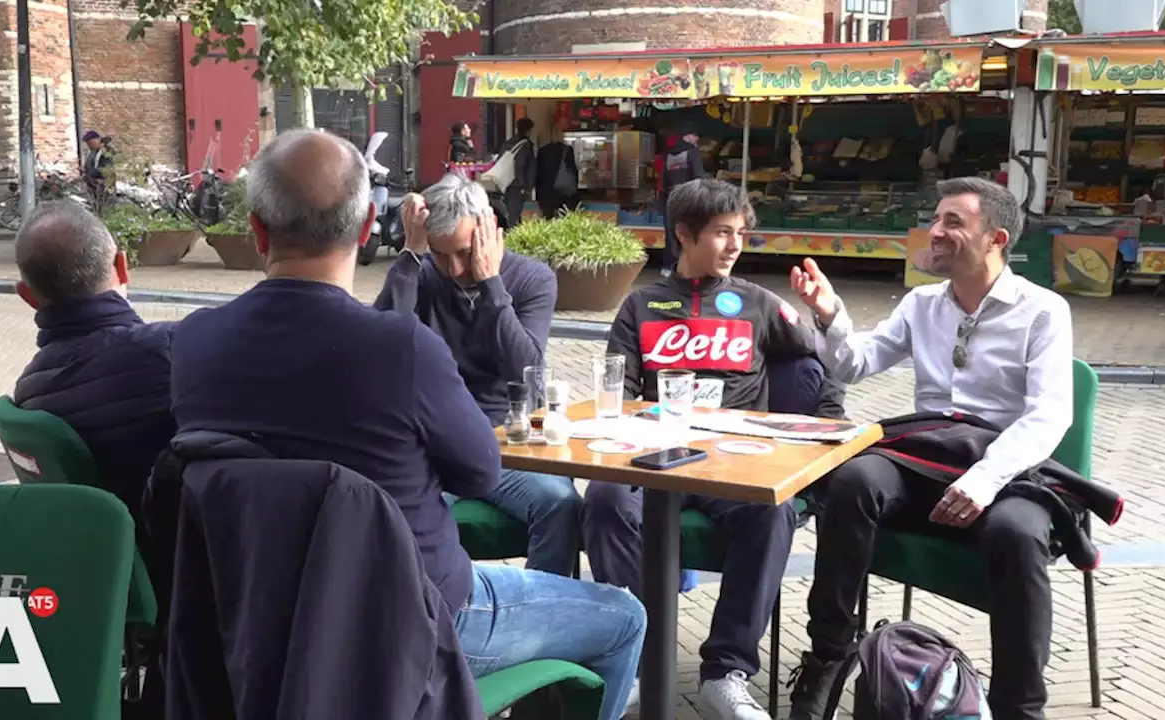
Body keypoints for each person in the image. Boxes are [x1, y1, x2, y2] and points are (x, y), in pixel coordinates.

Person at [168, 129, 645, 720]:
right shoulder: (401, 347)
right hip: (414, 614)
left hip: (252, 608)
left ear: (256, 230)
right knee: (626, 616)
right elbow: (479, 470)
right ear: (369, 225)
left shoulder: (191, 345)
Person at [786, 177, 1074, 720]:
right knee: (853, 481)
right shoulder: (922, 304)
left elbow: (1050, 414)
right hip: (924, 458)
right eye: (936, 219)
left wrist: (985, 479)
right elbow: (855, 364)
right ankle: (828, 656)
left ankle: (1020, 707)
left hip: (1005, 467)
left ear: (996, 239)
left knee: (1018, 532)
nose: (935, 232)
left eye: (952, 222)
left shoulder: (1043, 311)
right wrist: (828, 313)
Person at [583, 178, 846, 720]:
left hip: (736, 461)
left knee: (772, 514)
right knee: (604, 501)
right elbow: (618, 389)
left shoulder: (760, 304)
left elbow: (824, 365)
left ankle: (725, 673)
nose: (735, 245)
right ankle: (634, 660)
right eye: (722, 232)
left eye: (741, 234)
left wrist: (827, 423)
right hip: (655, 459)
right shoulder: (640, 305)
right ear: (684, 233)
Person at [374, 172, 582, 577]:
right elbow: (380, 347)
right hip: (429, 442)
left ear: (491, 231)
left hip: (502, 440)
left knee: (561, 503)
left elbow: (525, 372)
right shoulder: (421, 275)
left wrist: (491, 284)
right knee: (394, 517)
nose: (453, 268)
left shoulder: (532, 279)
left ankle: (544, 619)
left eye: (466, 252)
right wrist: (411, 257)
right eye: (440, 253)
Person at [12, 201, 175, 538]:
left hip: (107, 569)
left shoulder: (28, 392)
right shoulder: (171, 352)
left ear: (27, 296)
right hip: (182, 569)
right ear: (122, 266)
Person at [659, 130, 705, 276]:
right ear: (689, 138)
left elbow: (664, 180)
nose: (696, 142)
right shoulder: (692, 153)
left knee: (672, 232)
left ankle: (668, 266)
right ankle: (689, 265)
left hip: (671, 198)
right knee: (690, 232)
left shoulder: (668, 155)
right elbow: (698, 177)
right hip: (689, 198)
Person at [500, 118, 536, 227]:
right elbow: (527, 167)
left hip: (506, 184)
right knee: (515, 217)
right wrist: (527, 186)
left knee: (510, 215)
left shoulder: (508, 143)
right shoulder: (525, 145)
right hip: (518, 185)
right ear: (529, 130)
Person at [81, 130, 114, 206]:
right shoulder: (92, 152)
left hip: (104, 187)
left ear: (97, 140)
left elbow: (106, 169)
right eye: (87, 143)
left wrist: (90, 174)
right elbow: (88, 166)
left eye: (90, 143)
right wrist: (84, 170)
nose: (88, 145)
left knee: (104, 206)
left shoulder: (107, 151)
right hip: (93, 188)